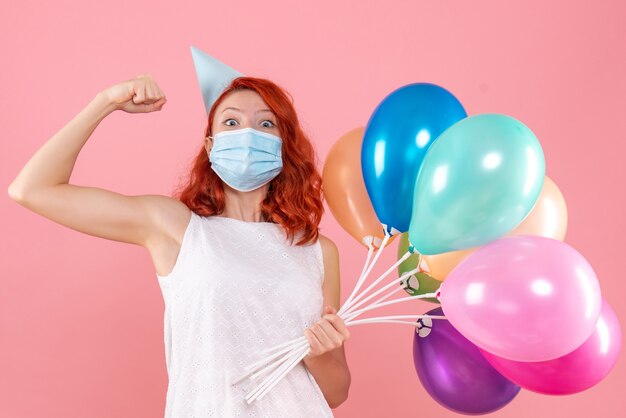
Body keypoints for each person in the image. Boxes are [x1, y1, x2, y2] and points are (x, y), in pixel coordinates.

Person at [8, 73, 351, 416]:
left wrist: (319, 353)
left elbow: (335, 392)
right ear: (211, 146)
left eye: (266, 123)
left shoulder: (317, 250)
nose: (248, 134)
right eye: (232, 121)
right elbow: (31, 189)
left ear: (284, 144)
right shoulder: (178, 228)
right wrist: (105, 102)